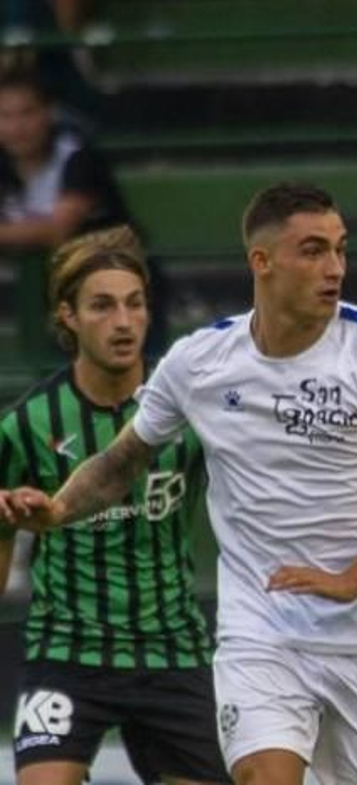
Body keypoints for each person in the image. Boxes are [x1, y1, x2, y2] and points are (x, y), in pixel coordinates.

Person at [0, 182, 357, 785]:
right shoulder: (200, 363)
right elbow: (121, 463)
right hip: (262, 629)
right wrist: (57, 510)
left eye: (340, 250)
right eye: (313, 251)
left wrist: (355, 580)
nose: (335, 269)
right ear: (261, 262)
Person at [0, 225, 228, 783]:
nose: (123, 322)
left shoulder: (189, 413)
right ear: (68, 317)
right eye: (102, 306)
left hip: (172, 650)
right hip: (67, 653)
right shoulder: (27, 425)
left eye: (135, 304)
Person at [0, 70, 153, 348]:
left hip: (117, 286)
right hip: (51, 298)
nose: (16, 127)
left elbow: (57, 230)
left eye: (27, 113)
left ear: (49, 113)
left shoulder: (78, 155)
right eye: (5, 116)